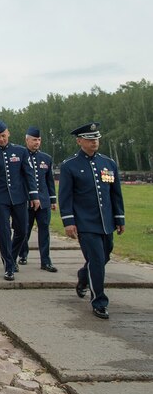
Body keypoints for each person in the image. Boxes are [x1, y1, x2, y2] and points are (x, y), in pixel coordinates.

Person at [58, 122, 125, 320]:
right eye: (89, 139)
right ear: (80, 141)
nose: (94, 142)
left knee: (105, 256)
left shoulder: (108, 163)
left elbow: (115, 194)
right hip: (85, 222)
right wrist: (68, 222)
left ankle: (83, 276)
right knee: (96, 260)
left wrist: (119, 218)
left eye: (96, 138)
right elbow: (65, 196)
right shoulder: (70, 165)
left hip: (106, 221)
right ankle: (99, 302)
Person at [0, 120, 39, 281]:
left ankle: (11, 255)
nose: (1, 139)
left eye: (3, 135)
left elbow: (29, 174)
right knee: (4, 231)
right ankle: (8, 266)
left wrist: (34, 195)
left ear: (8, 133)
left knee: (22, 230)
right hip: (0, 198)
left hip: (19, 197)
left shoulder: (21, 152)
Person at [19, 127, 58, 272]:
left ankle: (45, 261)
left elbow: (49, 181)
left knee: (44, 230)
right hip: (27, 200)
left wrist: (53, 200)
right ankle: (22, 254)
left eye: (39, 140)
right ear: (27, 140)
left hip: (43, 201)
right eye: (34, 140)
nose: (37, 142)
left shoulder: (46, 158)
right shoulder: (21, 156)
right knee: (24, 230)